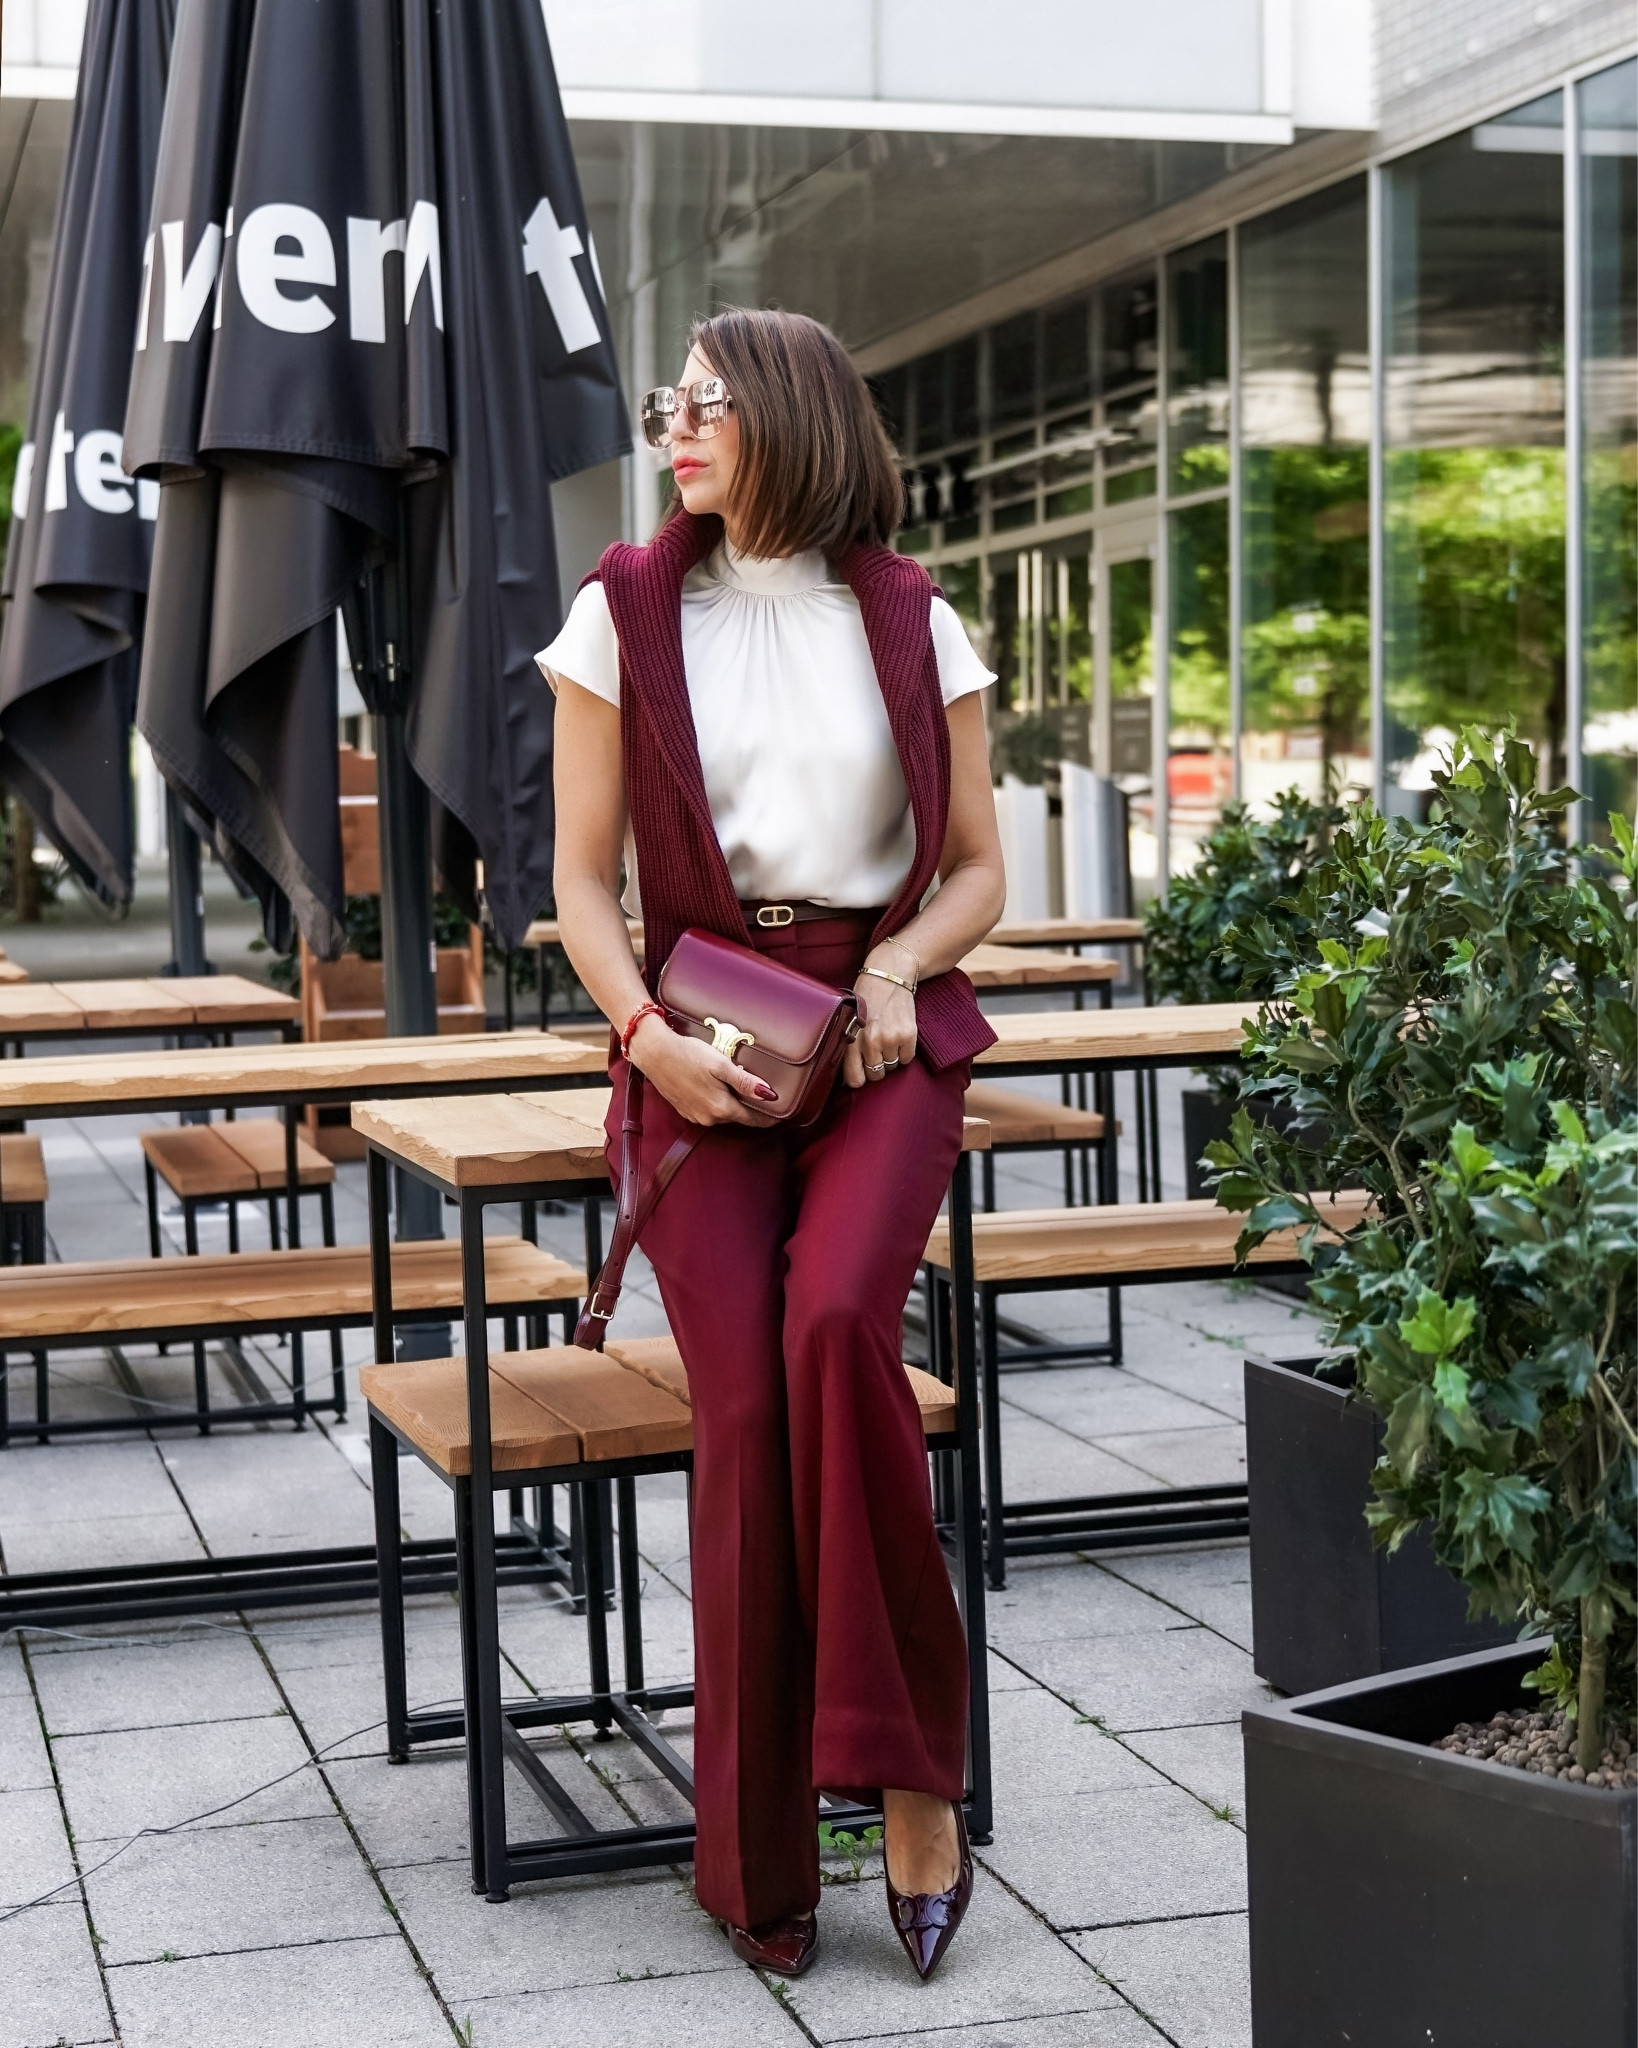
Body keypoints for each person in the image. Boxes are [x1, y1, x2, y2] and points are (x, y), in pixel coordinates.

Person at [542, 306, 1005, 1982]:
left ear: (795, 416)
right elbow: (581, 884)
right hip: (697, 1033)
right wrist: (644, 1040)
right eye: (672, 407)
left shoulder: (909, 617)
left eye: (708, 406)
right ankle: (750, 1857)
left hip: (879, 1033)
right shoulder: (624, 607)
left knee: (833, 1333)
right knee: (742, 1402)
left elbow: (972, 870)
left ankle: (906, 1780)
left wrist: (893, 970)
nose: (678, 428)